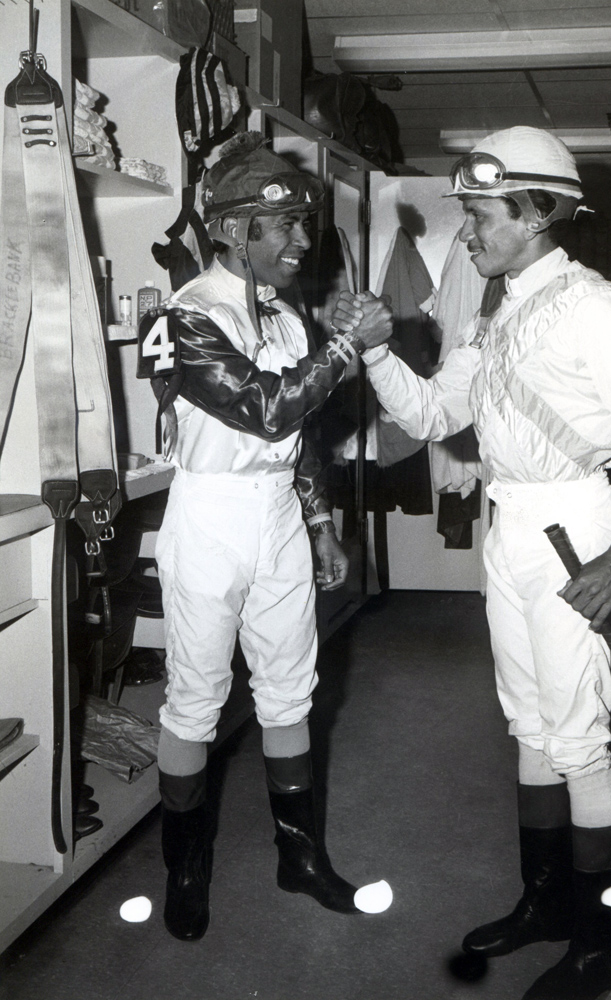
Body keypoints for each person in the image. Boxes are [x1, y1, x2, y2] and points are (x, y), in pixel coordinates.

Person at [332, 127, 611, 1000]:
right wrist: (381, 349)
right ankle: (544, 904)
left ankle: (600, 938)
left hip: (578, 525)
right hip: (513, 527)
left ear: (537, 214)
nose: (466, 234)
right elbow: (431, 416)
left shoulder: (595, 309)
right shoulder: (495, 312)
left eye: (479, 216)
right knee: (530, 726)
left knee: (580, 742)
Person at [137, 132, 391, 941]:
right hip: (210, 515)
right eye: (282, 228)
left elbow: (300, 431)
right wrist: (352, 346)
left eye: (302, 227)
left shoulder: (284, 314)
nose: (302, 243)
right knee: (196, 698)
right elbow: (267, 407)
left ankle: (300, 855)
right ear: (232, 230)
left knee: (290, 689)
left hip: (279, 510)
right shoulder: (185, 315)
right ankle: (185, 864)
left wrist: (320, 524)